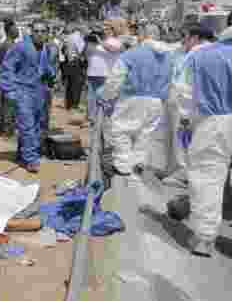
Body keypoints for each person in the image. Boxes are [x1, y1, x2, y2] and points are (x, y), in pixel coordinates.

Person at [168, 20, 232, 257]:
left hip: (214, 123)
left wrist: (185, 122)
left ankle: (204, 239)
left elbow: (182, 94)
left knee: (208, 178)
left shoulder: (200, 57)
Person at [98, 23, 173, 176]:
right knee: (145, 133)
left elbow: (115, 79)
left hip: (132, 98)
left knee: (120, 130)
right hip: (157, 101)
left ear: (142, 36)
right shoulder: (168, 57)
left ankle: (123, 165)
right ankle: (139, 162)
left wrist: (106, 96)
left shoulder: (132, 54)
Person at [0, 20, 56, 173]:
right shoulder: (20, 47)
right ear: (31, 32)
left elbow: (44, 66)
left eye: (43, 31)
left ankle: (22, 153)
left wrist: (51, 74)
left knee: (36, 125)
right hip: (23, 90)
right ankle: (31, 159)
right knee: (27, 125)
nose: (39, 34)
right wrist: (9, 89)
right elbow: (7, 67)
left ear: (47, 33)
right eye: (36, 31)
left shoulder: (44, 48)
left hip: (39, 91)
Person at [159, 25, 212, 189]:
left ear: (195, 38)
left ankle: (183, 174)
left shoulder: (200, 53)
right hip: (182, 100)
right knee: (176, 137)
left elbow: (191, 82)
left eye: (186, 37)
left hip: (186, 102)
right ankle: (174, 169)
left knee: (182, 139)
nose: (183, 41)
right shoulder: (190, 52)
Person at [84, 22, 123, 125]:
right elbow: (86, 54)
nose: (104, 30)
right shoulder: (93, 41)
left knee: (104, 98)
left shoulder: (115, 41)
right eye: (103, 29)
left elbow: (113, 49)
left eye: (106, 29)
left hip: (105, 74)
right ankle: (92, 119)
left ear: (112, 30)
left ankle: (106, 119)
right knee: (91, 99)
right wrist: (88, 41)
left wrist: (100, 42)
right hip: (92, 73)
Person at [0, 19, 19, 136]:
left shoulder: (10, 44)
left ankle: (7, 129)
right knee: (9, 105)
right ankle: (6, 130)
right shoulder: (7, 45)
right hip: (9, 80)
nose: (18, 30)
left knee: (8, 104)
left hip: (11, 79)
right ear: (10, 31)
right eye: (15, 28)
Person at [62, 26, 87, 110]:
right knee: (77, 85)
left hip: (69, 62)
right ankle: (75, 104)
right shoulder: (78, 38)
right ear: (80, 30)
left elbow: (64, 50)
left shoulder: (69, 37)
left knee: (69, 84)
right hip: (76, 63)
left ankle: (68, 104)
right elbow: (81, 50)